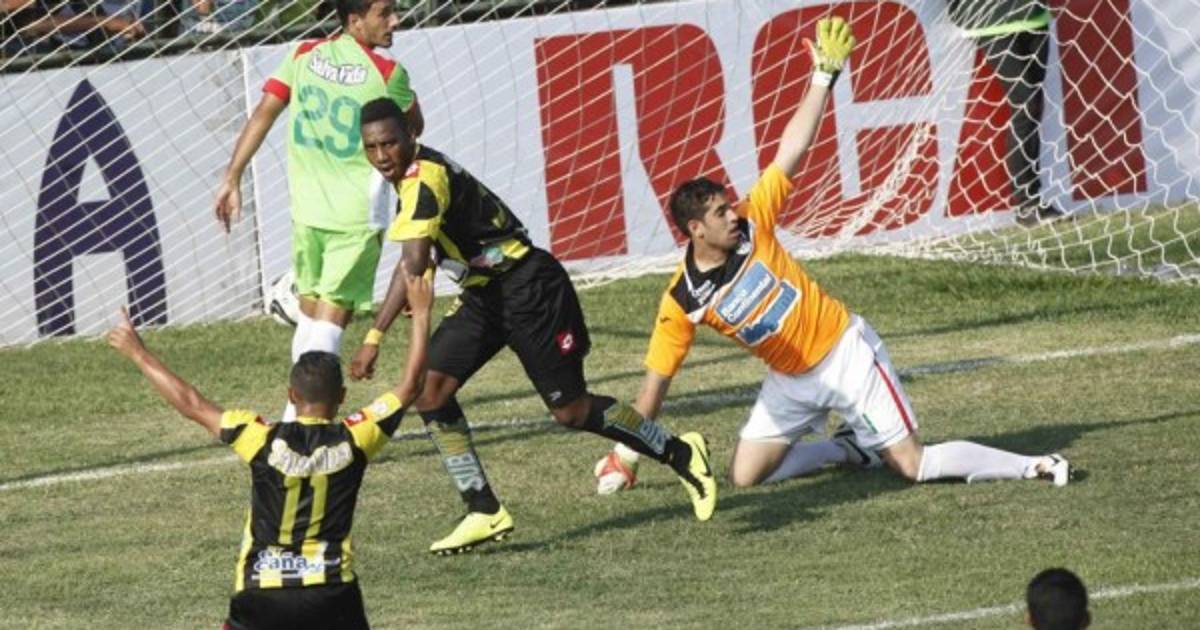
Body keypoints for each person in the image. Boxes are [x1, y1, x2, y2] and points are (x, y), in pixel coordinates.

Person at [590, 16, 1071, 496]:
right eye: (720, 213)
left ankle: (1033, 465)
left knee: (912, 464)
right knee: (745, 475)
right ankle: (846, 450)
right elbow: (654, 387)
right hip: (791, 381)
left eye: (729, 205)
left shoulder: (755, 220)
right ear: (696, 230)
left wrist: (823, 77)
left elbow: (791, 149)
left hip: (845, 355)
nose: (733, 215)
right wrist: (626, 456)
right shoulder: (682, 300)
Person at [351, 96, 717, 555]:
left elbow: (413, 263)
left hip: (529, 288)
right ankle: (483, 508)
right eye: (372, 147)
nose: (382, 155)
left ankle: (680, 452)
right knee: (430, 389)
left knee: (571, 411)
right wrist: (378, 330)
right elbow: (414, 257)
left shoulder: (424, 179)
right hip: (485, 295)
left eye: (389, 143)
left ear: (410, 136)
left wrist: (374, 337)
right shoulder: (409, 180)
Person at [106, 270, 433, 630]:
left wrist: (138, 353)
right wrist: (421, 313)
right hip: (331, 594)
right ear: (341, 397)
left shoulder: (258, 437)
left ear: (292, 395)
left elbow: (191, 403)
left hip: (261, 595)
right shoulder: (357, 437)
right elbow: (412, 386)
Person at [213, 0, 425, 424]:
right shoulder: (388, 74)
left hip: (307, 210)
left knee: (311, 318)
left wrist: (232, 176)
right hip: (356, 217)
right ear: (354, 20)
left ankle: (292, 417)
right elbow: (413, 127)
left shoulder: (303, 54)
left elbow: (264, 113)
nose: (395, 21)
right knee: (328, 324)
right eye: (385, 13)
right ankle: (300, 427)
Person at [947, 0, 1065, 226]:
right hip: (987, 17)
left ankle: (1031, 203)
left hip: (1033, 14)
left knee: (1032, 108)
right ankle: (1026, 204)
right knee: (1026, 102)